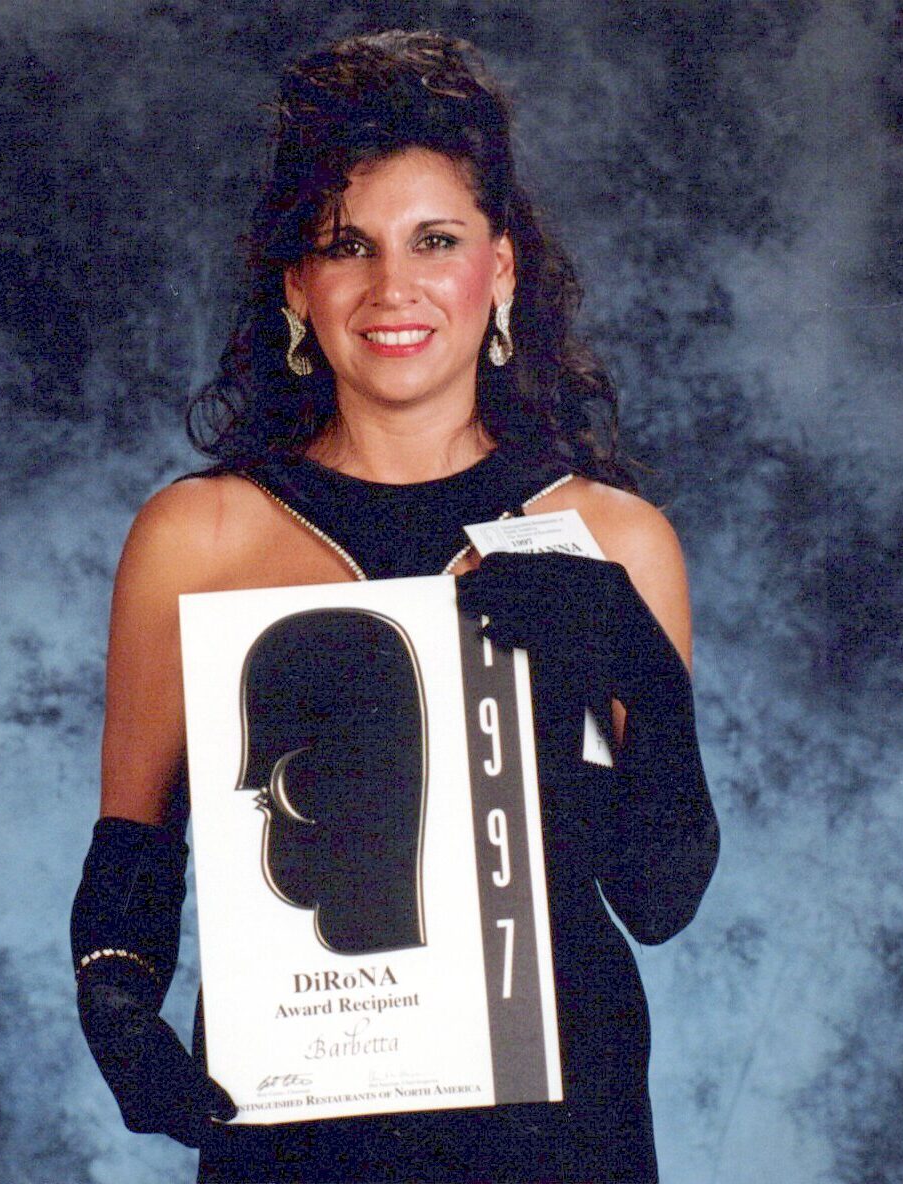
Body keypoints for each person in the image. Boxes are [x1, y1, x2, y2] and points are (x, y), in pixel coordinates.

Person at [70, 29, 720, 1183]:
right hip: (297, 1123)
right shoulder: (198, 536)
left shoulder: (614, 537)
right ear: (296, 284)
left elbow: (658, 897)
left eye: (435, 240)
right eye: (346, 246)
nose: (391, 288)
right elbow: (135, 844)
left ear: (500, 269)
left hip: (558, 1132)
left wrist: (641, 670)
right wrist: (116, 999)